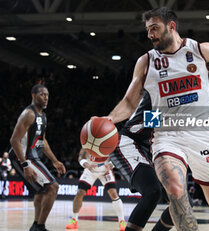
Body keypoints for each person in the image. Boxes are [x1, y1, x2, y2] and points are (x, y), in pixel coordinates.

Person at [106, 7, 209, 231]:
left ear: (171, 26)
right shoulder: (146, 62)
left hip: (203, 137)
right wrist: (109, 119)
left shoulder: (199, 50)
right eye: (147, 30)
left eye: (154, 28)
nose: (149, 35)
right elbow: (129, 102)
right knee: (175, 191)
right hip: (166, 138)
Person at [109, 91, 209, 231]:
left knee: (184, 203)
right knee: (153, 191)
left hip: (150, 147)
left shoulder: (180, 95)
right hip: (129, 142)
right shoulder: (157, 90)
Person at [9, 84, 66, 231]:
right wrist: (25, 165)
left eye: (47, 95)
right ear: (34, 96)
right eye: (42, 95)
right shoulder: (29, 114)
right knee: (53, 187)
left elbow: (43, 141)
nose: (46, 97)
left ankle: (36, 226)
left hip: (33, 157)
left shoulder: (43, 116)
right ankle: (40, 226)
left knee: (43, 190)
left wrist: (55, 160)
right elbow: (14, 140)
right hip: (22, 157)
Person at [65, 149, 126, 230]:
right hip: (90, 169)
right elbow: (81, 157)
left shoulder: (110, 140)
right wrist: (87, 165)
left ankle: (122, 222)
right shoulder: (88, 141)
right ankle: (74, 221)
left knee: (114, 194)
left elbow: (116, 158)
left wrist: (110, 166)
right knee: (80, 192)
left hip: (105, 170)